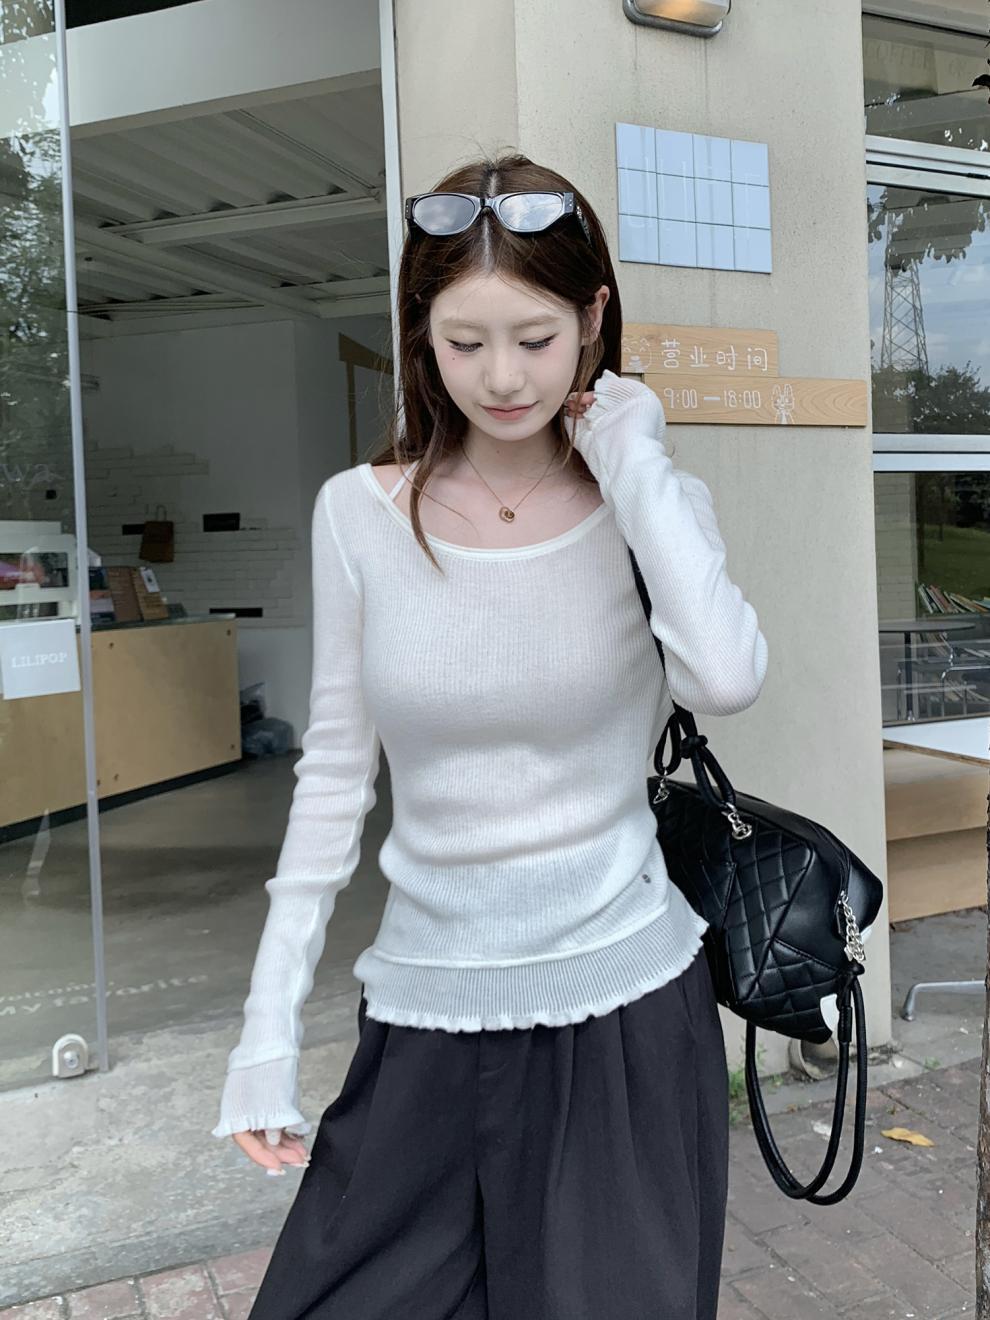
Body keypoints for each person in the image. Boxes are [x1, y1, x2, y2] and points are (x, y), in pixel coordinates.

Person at [212, 151, 769, 1319]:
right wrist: (266, 1029)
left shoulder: (650, 507)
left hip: (626, 1015)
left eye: (536, 337)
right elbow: (333, 773)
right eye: (465, 342)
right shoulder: (359, 514)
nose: (503, 377)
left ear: (594, 319)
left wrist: (635, 459)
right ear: (421, 333)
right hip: (424, 1022)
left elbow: (724, 678)